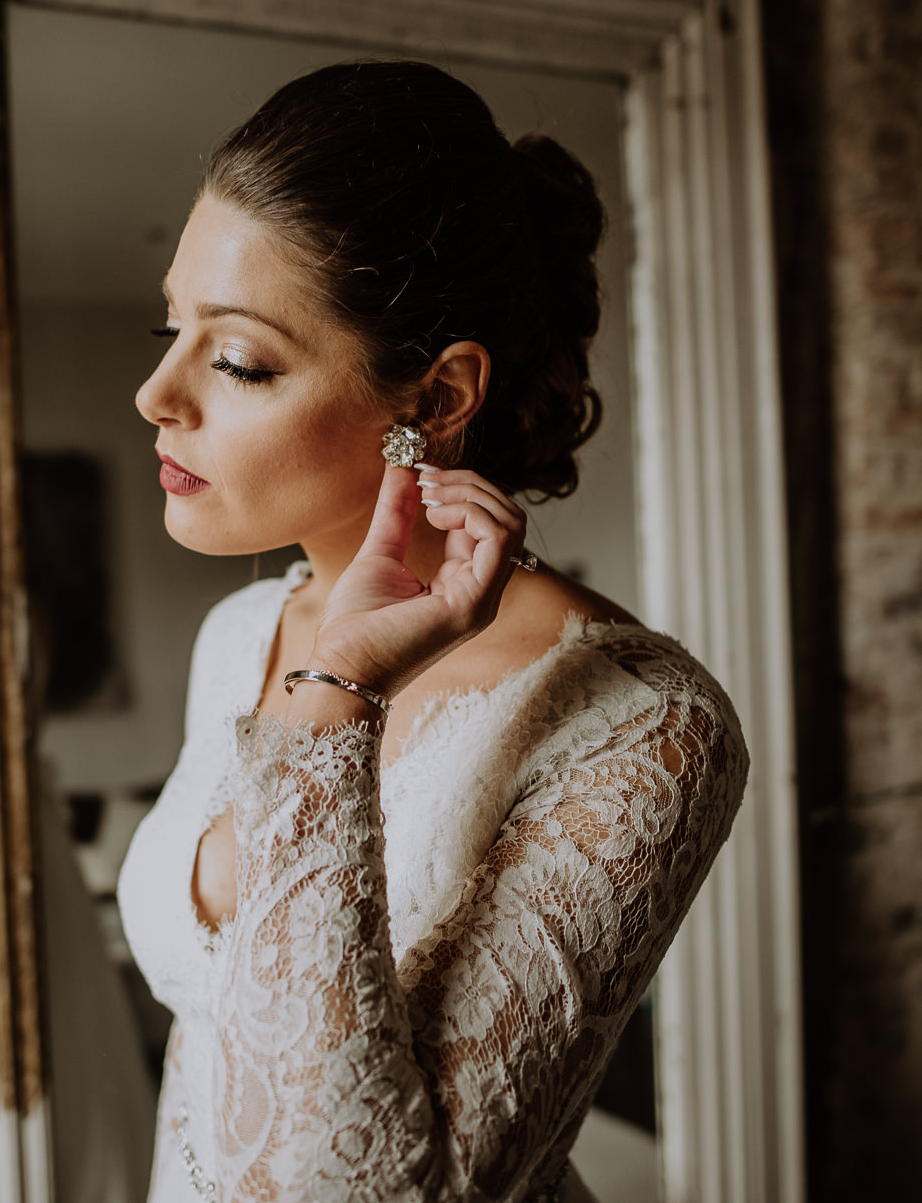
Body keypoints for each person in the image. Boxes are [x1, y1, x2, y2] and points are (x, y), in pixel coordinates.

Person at [114, 60, 748, 1202]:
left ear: (436, 399)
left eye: (238, 358)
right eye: (170, 327)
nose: (157, 393)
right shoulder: (238, 634)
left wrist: (333, 696)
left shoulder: (645, 726)